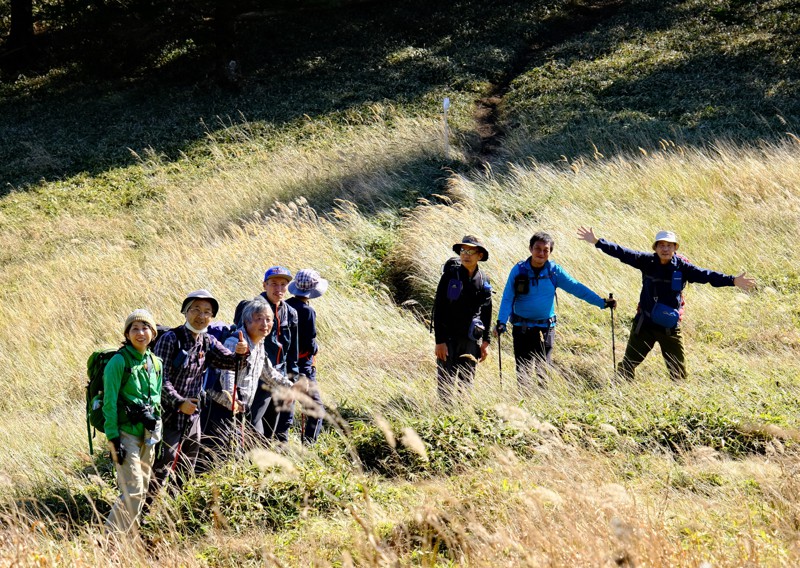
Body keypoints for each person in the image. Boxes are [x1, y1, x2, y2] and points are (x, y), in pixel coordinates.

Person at [577, 226, 757, 380]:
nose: (665, 248)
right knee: (628, 365)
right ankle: (621, 391)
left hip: (670, 327)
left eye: (669, 245)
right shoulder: (646, 261)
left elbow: (707, 275)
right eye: (661, 245)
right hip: (644, 324)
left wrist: (732, 280)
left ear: (675, 248)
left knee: (678, 373)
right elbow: (622, 252)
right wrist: (597, 241)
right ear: (655, 247)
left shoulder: (683, 267)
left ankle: (680, 400)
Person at [148, 290, 247, 497]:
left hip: (193, 416)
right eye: (196, 310)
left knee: (187, 466)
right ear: (185, 311)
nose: (201, 316)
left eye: (207, 312)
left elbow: (230, 362)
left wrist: (241, 352)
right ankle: (145, 514)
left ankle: (174, 512)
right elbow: (158, 379)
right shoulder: (170, 339)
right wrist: (178, 402)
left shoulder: (207, 341)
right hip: (168, 415)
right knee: (163, 464)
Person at [495, 232, 615, 389]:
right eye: (538, 249)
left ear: (550, 252)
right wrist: (501, 322)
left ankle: (543, 403)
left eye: (546, 250)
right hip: (522, 329)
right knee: (523, 370)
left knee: (543, 369)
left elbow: (576, 288)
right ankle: (523, 405)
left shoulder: (554, 271)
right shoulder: (519, 271)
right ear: (530, 248)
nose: (541, 253)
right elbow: (507, 298)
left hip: (546, 328)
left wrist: (601, 302)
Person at [200, 299, 289, 463]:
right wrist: (231, 398)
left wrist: (292, 387)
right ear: (247, 321)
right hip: (220, 408)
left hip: (239, 409)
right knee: (212, 455)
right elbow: (227, 373)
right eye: (259, 319)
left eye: (268, 319)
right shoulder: (235, 341)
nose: (265, 324)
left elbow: (268, 373)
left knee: (236, 452)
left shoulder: (259, 344)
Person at [103, 309, 162, 535]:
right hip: (125, 433)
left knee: (142, 489)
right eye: (134, 328)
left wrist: (155, 427)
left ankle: (123, 541)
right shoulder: (118, 362)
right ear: (127, 334)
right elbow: (109, 403)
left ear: (153, 333)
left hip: (148, 435)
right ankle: (109, 542)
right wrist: (113, 440)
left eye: (145, 327)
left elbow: (156, 400)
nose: (140, 333)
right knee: (134, 490)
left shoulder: (155, 362)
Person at [237, 267, 300, 443]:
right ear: (264, 285)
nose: (278, 289)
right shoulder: (250, 307)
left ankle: (263, 463)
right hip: (257, 375)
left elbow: (292, 350)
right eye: (273, 284)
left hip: (280, 374)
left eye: (283, 284)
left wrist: (293, 378)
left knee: (274, 424)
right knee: (253, 422)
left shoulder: (290, 312)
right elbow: (239, 337)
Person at [432, 235, 493, 403]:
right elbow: (439, 309)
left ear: (479, 255)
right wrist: (440, 341)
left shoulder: (483, 280)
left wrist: (486, 342)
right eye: (463, 250)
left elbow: (487, 311)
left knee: (466, 384)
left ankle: (462, 418)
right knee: (445, 383)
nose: (466, 255)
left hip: (471, 340)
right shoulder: (450, 276)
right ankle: (444, 419)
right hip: (448, 339)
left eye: (471, 251)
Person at [286, 268, 328, 444]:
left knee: (286, 405)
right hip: (303, 365)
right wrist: (315, 348)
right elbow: (310, 342)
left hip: (285, 363)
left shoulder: (285, 305)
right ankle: (309, 445)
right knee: (316, 409)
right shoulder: (307, 311)